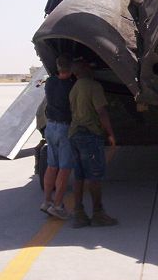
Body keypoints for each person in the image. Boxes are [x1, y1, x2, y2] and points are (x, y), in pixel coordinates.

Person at [69, 59, 118, 228]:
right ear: (85, 69)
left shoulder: (74, 88)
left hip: (74, 135)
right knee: (94, 176)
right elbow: (101, 111)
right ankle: (98, 214)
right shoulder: (93, 86)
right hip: (90, 136)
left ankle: (79, 214)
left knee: (79, 176)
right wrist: (110, 133)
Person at [40, 55, 75, 220]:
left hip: (50, 127)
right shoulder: (70, 86)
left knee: (52, 166)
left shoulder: (50, 82)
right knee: (65, 168)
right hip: (64, 128)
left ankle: (47, 201)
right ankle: (57, 205)